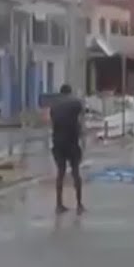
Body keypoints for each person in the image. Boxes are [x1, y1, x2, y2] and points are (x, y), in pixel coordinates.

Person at [49, 84, 85, 214]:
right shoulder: (75, 103)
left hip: (58, 142)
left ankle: (59, 205)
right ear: (70, 92)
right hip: (71, 142)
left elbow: (53, 122)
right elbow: (80, 118)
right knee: (75, 172)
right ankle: (79, 205)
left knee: (60, 172)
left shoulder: (54, 106)